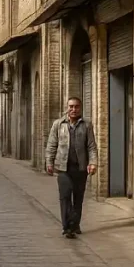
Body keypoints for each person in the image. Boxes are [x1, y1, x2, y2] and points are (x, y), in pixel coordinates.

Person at [45, 97, 98, 239]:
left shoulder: (87, 125)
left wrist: (93, 162)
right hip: (63, 168)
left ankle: (75, 224)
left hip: (80, 168)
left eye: (76, 107)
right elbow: (51, 145)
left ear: (80, 108)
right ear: (67, 107)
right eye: (71, 106)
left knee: (78, 198)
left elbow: (91, 146)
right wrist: (49, 162)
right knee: (65, 196)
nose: (74, 109)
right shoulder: (58, 124)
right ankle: (67, 227)